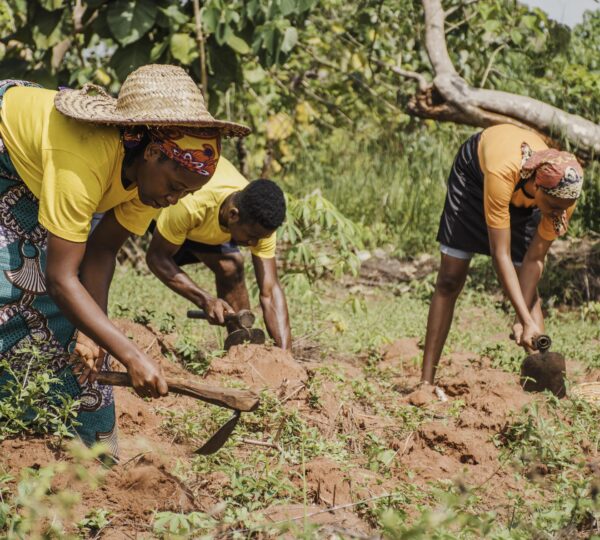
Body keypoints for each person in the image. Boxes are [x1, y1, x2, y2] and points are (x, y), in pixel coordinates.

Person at [0, 64, 250, 456]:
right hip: (8, 148)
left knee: (83, 333)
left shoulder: (147, 181)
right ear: (152, 153)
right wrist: (130, 354)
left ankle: (96, 460)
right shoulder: (83, 161)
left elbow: (101, 252)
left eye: (186, 194)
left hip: (40, 170)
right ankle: (14, 425)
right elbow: (62, 279)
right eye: (174, 187)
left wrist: (95, 336)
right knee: (13, 290)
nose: (173, 201)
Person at [421, 124, 583, 385]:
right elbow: (500, 255)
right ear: (537, 186)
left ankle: (543, 391)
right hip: (476, 178)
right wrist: (523, 317)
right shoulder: (502, 172)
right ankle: (425, 382)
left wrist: (523, 320)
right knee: (450, 278)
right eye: (553, 207)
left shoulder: (563, 198)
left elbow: (535, 259)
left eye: (562, 210)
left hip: (524, 194)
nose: (557, 215)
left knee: (529, 297)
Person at [146, 158, 291, 350]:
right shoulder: (192, 204)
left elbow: (270, 291)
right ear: (233, 215)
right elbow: (156, 258)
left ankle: (241, 349)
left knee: (231, 267)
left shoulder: (259, 220)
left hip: (204, 225)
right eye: (251, 236)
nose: (254, 244)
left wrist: (286, 355)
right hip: (163, 213)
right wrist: (204, 299)